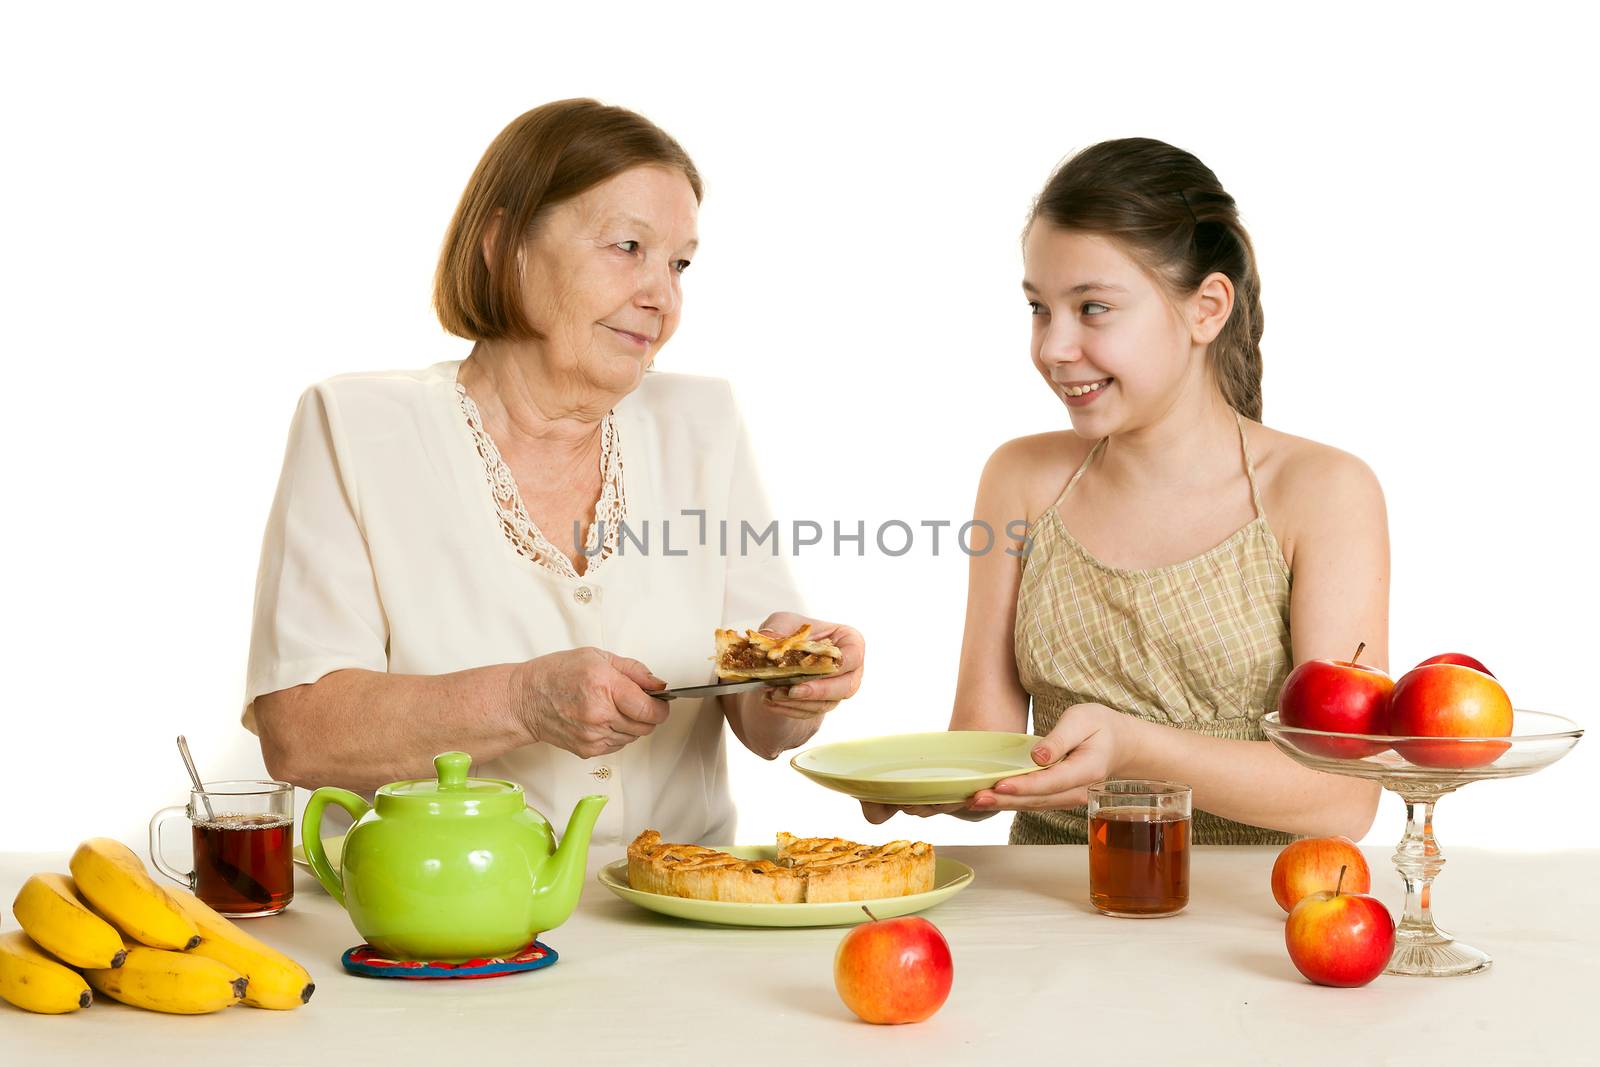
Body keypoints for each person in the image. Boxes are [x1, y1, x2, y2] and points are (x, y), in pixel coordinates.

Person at [244, 99, 863, 848]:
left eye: (679, 263)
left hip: (678, 907)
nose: (661, 297)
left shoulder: (703, 421)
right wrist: (524, 698)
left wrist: (795, 687)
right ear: (504, 244)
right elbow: (300, 733)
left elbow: (759, 724)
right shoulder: (356, 425)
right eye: (627, 246)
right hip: (437, 919)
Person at [867, 138, 1383, 844]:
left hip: (1255, 920)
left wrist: (1136, 749)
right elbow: (985, 747)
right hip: (1053, 906)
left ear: (1207, 309)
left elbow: (1343, 797)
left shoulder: (1322, 493)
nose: (1053, 347)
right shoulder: (1020, 480)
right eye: (1039, 308)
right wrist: (922, 783)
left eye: (1093, 308)